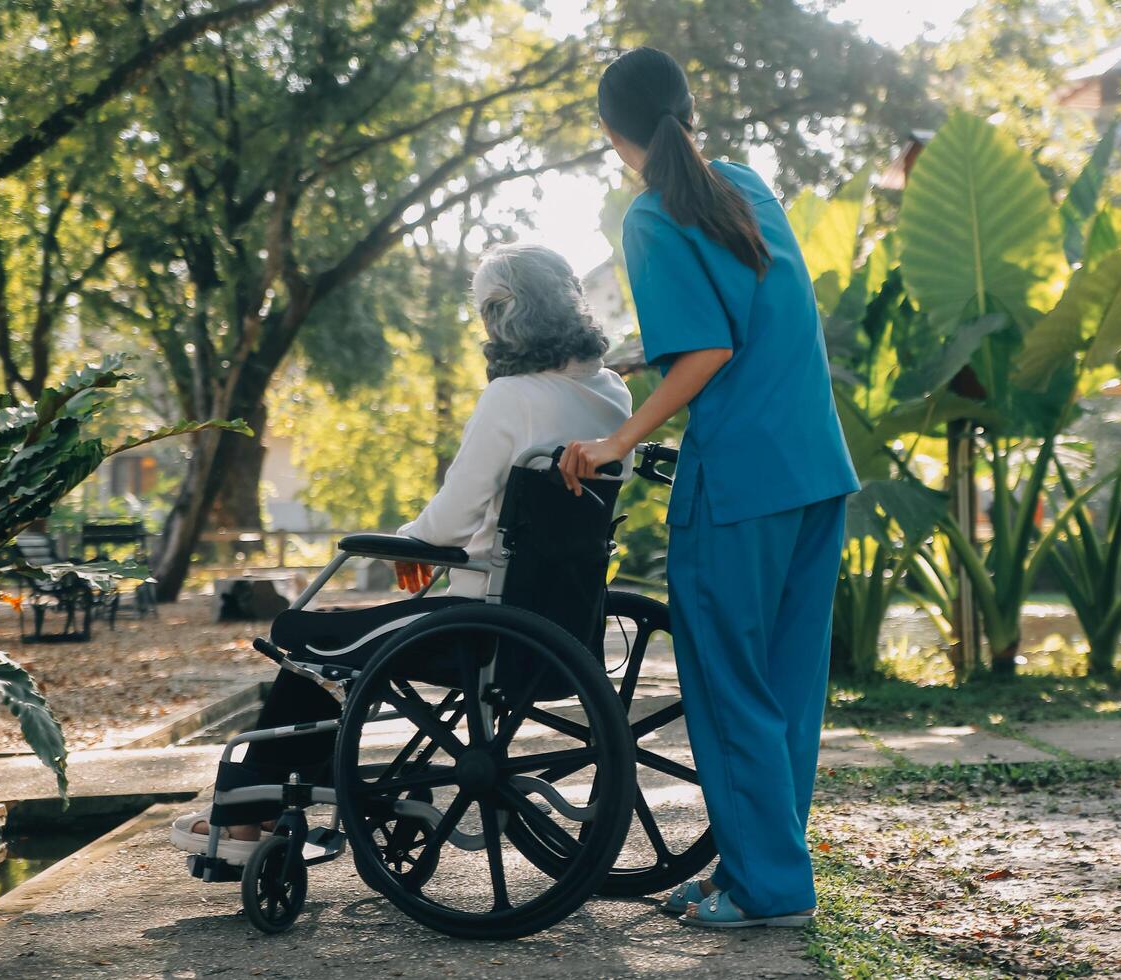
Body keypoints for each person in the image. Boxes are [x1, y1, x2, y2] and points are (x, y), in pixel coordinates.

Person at [171, 243, 632, 862]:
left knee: (307, 637)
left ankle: (245, 820)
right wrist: (429, 541)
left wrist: (406, 540)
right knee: (340, 642)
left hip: (480, 628)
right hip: (561, 632)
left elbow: (447, 524)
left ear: (504, 313)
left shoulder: (513, 397)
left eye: (484, 314)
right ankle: (273, 803)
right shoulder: (613, 396)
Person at [559, 47, 859, 929]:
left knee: (730, 688)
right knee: (785, 692)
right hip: (813, 469)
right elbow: (756, 325)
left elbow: (708, 350)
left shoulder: (651, 216)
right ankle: (754, 870)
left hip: (739, 484)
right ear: (687, 110)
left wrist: (616, 436)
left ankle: (770, 888)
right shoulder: (744, 185)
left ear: (613, 134)